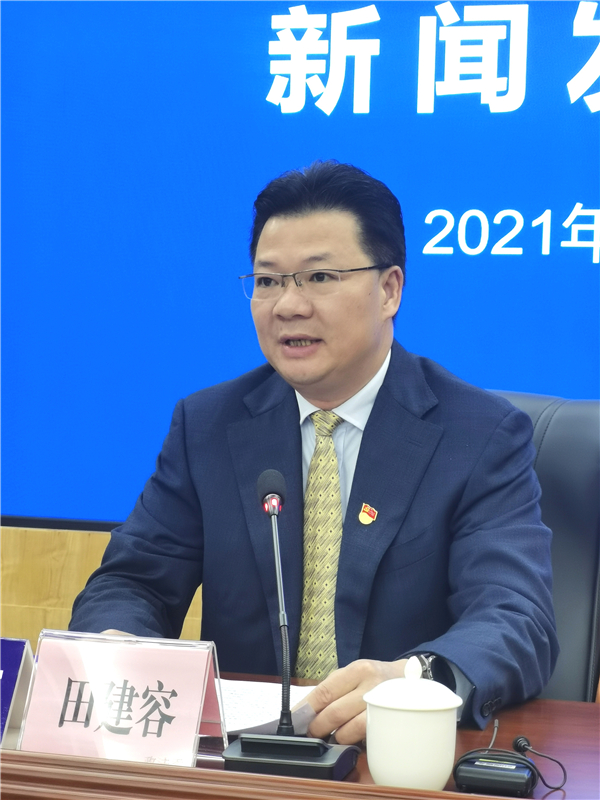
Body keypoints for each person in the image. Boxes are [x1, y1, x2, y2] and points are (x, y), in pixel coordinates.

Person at [70, 161, 558, 744]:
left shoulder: (479, 435)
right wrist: (118, 645)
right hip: (245, 761)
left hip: (398, 756)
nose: (287, 305)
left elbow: (515, 617)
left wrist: (414, 681)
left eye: (320, 277)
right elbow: (132, 581)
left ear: (389, 290)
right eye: (268, 281)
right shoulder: (207, 425)